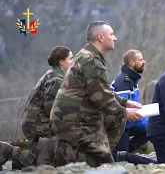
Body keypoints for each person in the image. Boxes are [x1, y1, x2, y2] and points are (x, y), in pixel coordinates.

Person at [50, 21, 143, 167]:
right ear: (101, 37)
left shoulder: (89, 56)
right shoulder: (91, 60)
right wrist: (125, 111)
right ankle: (67, 157)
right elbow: (100, 97)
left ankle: (71, 156)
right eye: (111, 34)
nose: (115, 38)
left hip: (75, 117)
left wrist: (124, 102)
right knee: (103, 160)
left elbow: (101, 89)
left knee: (115, 122)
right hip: (73, 120)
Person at [0, 46, 73, 170]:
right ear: (62, 61)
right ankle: (6, 150)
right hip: (37, 124)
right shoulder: (56, 79)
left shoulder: (55, 75)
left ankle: (9, 152)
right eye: (71, 59)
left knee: (44, 159)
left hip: (36, 122)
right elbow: (53, 110)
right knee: (48, 159)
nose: (73, 62)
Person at [111, 50, 156, 164]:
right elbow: (123, 113)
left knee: (151, 128)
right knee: (120, 160)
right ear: (131, 63)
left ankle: (126, 151)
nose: (144, 62)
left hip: (127, 123)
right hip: (120, 126)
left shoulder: (131, 79)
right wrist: (146, 121)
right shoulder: (124, 82)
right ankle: (121, 153)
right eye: (140, 60)